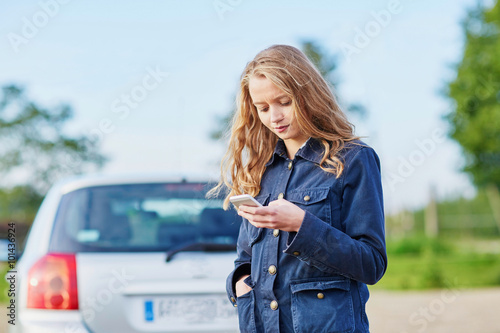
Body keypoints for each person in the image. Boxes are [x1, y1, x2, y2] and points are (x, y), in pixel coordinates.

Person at [212, 44, 387, 333]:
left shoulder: (354, 159)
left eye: (284, 102)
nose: (274, 117)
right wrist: (240, 284)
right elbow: (245, 259)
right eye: (263, 108)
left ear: (308, 94)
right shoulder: (260, 168)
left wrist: (302, 226)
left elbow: (372, 264)